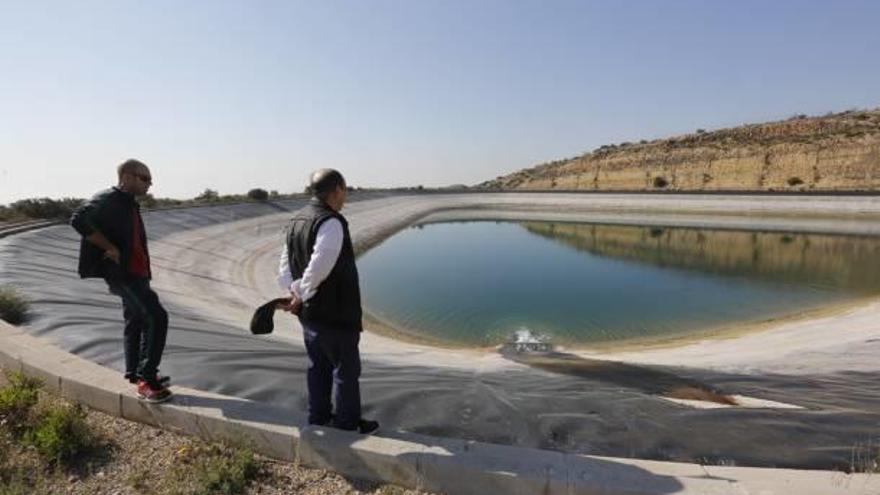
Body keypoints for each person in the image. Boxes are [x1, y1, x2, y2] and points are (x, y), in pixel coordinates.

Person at [277, 169, 379, 434]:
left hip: (310, 315)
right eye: (344, 191)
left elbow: (284, 266)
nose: (345, 197)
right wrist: (303, 292)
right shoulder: (331, 221)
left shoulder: (296, 220)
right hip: (336, 313)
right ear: (337, 190)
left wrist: (294, 291)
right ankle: (346, 424)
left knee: (318, 366)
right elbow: (320, 264)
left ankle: (319, 417)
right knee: (345, 371)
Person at [70, 159, 172, 403]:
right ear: (127, 177)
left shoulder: (128, 203)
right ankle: (147, 379)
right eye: (144, 178)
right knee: (156, 316)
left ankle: (138, 375)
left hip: (136, 272)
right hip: (122, 273)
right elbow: (78, 219)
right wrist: (109, 248)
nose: (150, 183)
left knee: (136, 320)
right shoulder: (108, 199)